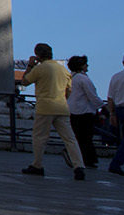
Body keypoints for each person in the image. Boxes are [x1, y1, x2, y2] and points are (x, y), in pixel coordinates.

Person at [20, 43, 84, 180]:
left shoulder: (40, 69)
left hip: (45, 107)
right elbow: (69, 90)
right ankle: (79, 166)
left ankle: (37, 165)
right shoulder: (63, 70)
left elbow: (24, 81)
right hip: (62, 107)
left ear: (38, 55)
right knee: (70, 139)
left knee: (40, 137)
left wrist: (31, 65)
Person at [66, 55, 103, 170]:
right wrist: (102, 106)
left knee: (78, 137)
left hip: (72, 111)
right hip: (84, 112)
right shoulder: (83, 79)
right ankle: (87, 159)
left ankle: (78, 157)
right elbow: (92, 95)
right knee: (86, 137)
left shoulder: (70, 78)